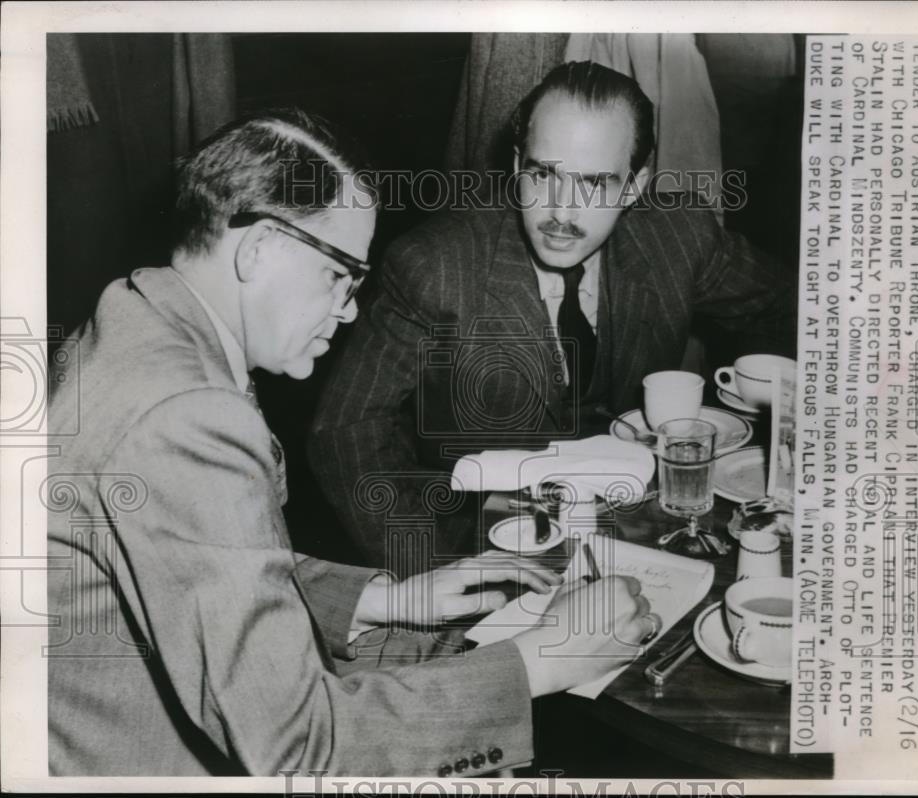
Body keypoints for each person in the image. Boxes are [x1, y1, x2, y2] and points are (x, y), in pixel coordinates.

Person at [46, 109, 659, 776]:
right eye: (343, 274)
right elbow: (300, 750)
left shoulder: (137, 318)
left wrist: (383, 599)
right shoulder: (187, 413)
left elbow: (192, 560)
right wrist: (545, 661)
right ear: (260, 250)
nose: (349, 309)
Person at [309, 62, 797, 573]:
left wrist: (771, 424)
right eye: (544, 174)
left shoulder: (678, 237)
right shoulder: (436, 266)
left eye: (596, 183)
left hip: (652, 530)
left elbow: (793, 311)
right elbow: (344, 430)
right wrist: (435, 570)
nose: (563, 212)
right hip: (497, 540)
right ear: (517, 165)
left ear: (635, 185)